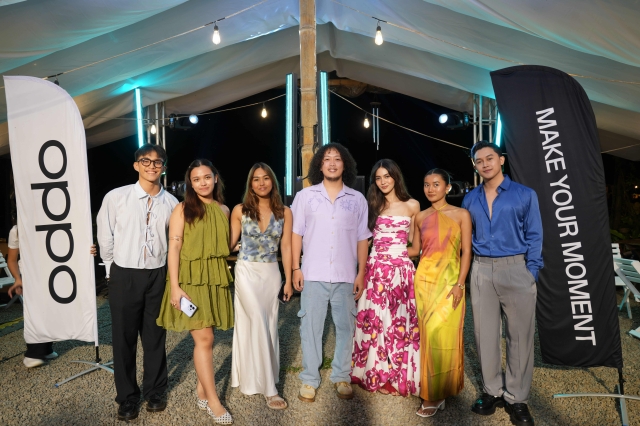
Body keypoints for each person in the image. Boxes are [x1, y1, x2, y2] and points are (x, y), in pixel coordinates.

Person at [462, 141, 542, 426]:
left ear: (501, 160)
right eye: (479, 160)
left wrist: (531, 272)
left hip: (516, 269)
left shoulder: (524, 194)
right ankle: (492, 390)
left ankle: (517, 397)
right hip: (482, 270)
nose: (485, 164)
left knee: (520, 336)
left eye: (490, 158)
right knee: (484, 334)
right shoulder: (470, 199)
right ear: (475, 166)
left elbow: (535, 235)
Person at [97, 144, 178, 421]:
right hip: (124, 273)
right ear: (136, 165)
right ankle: (127, 398)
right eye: (146, 161)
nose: (152, 166)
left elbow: (176, 242)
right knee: (123, 339)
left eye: (157, 162)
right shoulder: (116, 197)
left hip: (157, 274)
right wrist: (111, 269)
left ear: (163, 167)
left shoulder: (172, 203)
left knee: (155, 337)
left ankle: (155, 391)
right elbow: (105, 234)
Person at [291, 143, 371, 403]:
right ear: (319, 165)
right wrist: (295, 268)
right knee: (310, 328)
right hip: (313, 273)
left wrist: (360, 273)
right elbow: (296, 234)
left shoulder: (357, 199)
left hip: (345, 274)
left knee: (346, 327)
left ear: (345, 164)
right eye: (327, 159)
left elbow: (362, 238)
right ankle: (309, 379)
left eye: (337, 159)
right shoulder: (305, 197)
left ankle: (341, 376)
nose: (332, 163)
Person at [156, 159, 234, 425]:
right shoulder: (182, 209)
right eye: (197, 179)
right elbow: (175, 248)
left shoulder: (223, 209)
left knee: (209, 337)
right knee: (205, 338)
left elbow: (224, 245)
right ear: (190, 183)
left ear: (215, 178)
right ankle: (213, 400)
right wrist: (175, 286)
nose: (203, 183)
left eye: (207, 177)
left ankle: (202, 389)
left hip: (213, 277)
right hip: (189, 280)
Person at [350, 159, 421, 397]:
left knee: (400, 323)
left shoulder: (413, 205)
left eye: (387, 177)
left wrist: (396, 255)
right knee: (377, 323)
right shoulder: (371, 205)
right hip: (376, 272)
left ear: (395, 177)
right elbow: (362, 241)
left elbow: (416, 247)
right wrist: (363, 269)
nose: (383, 182)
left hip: (402, 272)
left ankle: (397, 374)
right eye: (378, 178)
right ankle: (378, 373)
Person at [229, 163, 293, 410]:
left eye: (266, 178)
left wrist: (288, 280)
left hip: (271, 274)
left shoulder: (284, 212)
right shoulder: (240, 210)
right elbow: (229, 243)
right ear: (250, 184)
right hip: (246, 271)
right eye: (256, 179)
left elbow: (286, 247)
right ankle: (270, 389)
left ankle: (253, 377)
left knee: (267, 324)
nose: (261, 183)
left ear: (272, 181)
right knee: (256, 319)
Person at [408, 168, 472, 418]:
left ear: (447, 187)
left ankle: (437, 393)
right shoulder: (420, 217)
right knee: (428, 337)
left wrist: (460, 284)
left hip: (450, 282)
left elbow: (466, 251)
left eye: (436, 184)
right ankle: (435, 393)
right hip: (424, 282)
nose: (430, 189)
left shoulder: (461, 215)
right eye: (426, 184)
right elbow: (415, 250)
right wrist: (384, 248)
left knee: (442, 335)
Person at [6, 214, 97, 368]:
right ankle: (33, 353)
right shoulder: (17, 229)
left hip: (55, 272)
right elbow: (12, 259)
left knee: (52, 310)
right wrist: (17, 278)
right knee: (36, 312)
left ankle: (46, 349)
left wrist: (89, 250)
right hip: (31, 276)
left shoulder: (57, 223)